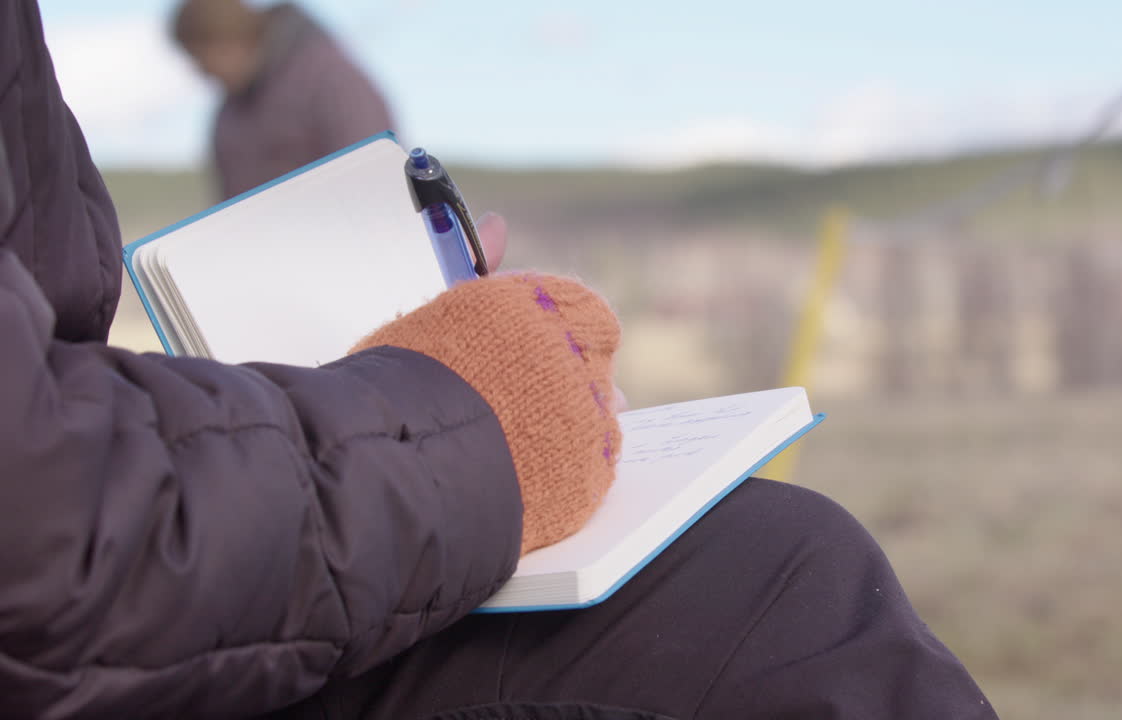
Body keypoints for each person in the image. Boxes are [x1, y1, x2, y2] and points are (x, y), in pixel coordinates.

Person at [0, 1, 999, 718]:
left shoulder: (319, 78)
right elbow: (44, 527)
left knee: (770, 554)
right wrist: (460, 415)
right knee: (779, 583)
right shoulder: (236, 112)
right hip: (105, 611)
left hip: (186, 518)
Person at [171, 0, 395, 200]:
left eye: (202, 61)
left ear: (226, 44)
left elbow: (375, 180)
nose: (202, 73)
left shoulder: (331, 81)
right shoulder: (228, 113)